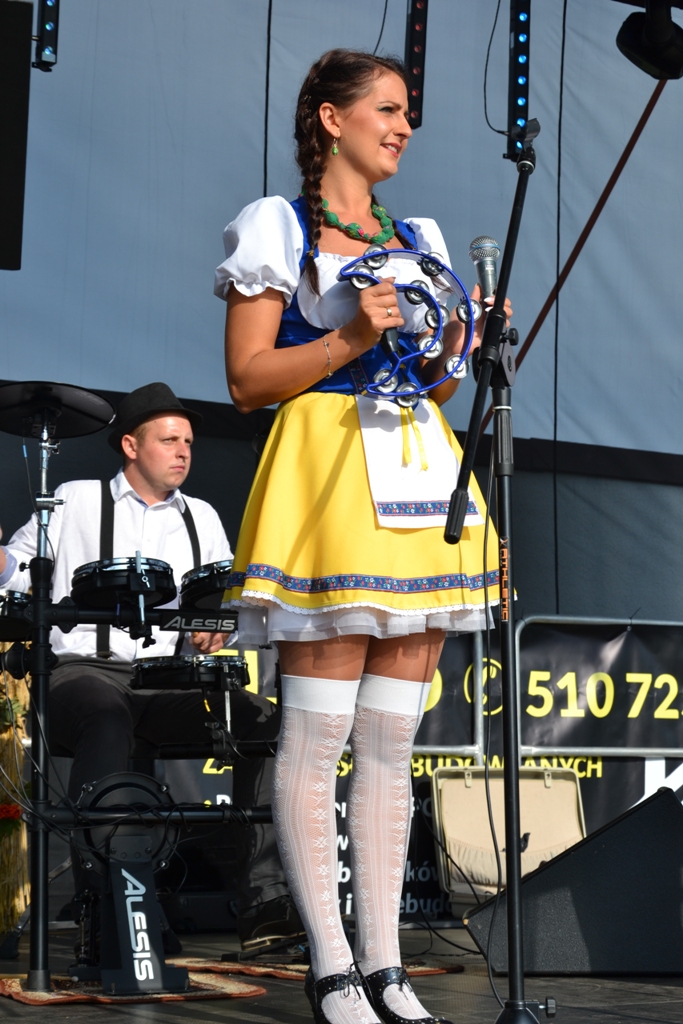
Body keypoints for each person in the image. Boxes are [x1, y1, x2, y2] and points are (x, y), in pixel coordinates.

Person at [216, 50, 512, 1024]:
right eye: (386, 109)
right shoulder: (279, 225)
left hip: (417, 469)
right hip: (329, 469)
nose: (403, 127)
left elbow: (431, 386)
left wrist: (462, 341)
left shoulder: (417, 238)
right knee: (321, 731)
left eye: (407, 113)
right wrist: (347, 336)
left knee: (391, 740)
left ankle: (386, 965)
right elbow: (247, 379)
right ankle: (330, 964)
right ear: (331, 119)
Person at [0, 381, 303, 953]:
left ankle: (265, 900)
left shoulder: (202, 517)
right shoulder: (74, 499)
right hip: (82, 674)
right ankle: (104, 902)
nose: (183, 451)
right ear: (131, 445)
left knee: (264, 722)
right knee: (105, 714)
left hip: (165, 682)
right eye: (169, 440)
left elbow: (221, 602)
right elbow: (17, 569)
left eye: (188, 442)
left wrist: (218, 626)